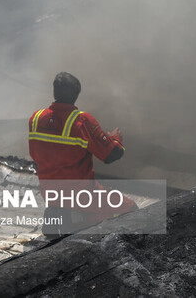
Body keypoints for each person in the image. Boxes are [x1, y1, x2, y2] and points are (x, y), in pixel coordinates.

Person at [29, 72, 136, 236]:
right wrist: (114, 138)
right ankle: (75, 218)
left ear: (54, 93)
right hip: (83, 196)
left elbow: (35, 155)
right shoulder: (81, 122)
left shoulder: (36, 119)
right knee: (131, 209)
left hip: (51, 194)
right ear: (77, 95)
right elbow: (111, 155)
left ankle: (58, 214)